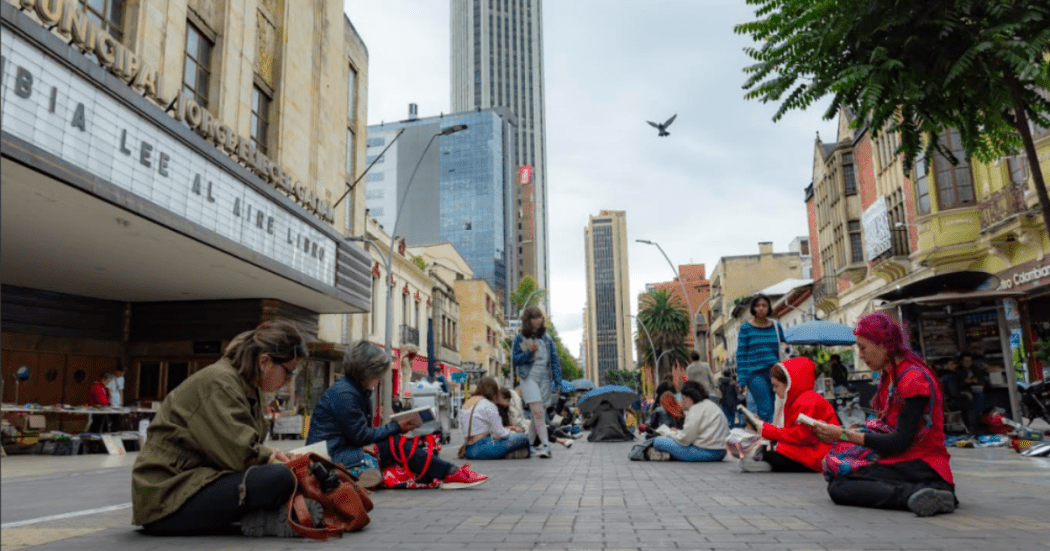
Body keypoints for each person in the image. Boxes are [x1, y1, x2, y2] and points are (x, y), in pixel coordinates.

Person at [133, 320, 318, 537]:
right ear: (265, 361)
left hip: (199, 480)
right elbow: (239, 454)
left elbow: (242, 447)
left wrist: (274, 456)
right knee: (279, 478)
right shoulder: (218, 382)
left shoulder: (249, 385)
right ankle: (268, 518)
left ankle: (267, 516)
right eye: (289, 371)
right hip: (167, 498)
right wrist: (270, 457)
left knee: (289, 474)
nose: (288, 380)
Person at [810, 312, 957, 517]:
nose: (860, 355)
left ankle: (922, 493)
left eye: (863, 347)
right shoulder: (892, 375)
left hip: (923, 462)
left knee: (841, 486)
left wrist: (843, 434)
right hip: (904, 457)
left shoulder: (912, 378)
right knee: (838, 479)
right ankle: (925, 491)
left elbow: (900, 440)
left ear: (883, 345)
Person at [307, 341, 488, 488]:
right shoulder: (345, 395)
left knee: (397, 444)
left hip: (342, 450)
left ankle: (447, 472)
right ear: (368, 372)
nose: (379, 379)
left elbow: (359, 434)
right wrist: (396, 427)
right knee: (395, 443)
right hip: (331, 456)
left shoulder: (354, 391)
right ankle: (449, 472)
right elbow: (361, 436)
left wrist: (395, 428)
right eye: (378, 374)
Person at [740, 358, 839, 472]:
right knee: (772, 448)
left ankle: (763, 461)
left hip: (820, 454)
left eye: (776, 386)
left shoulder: (806, 401)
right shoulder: (801, 399)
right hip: (818, 450)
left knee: (772, 451)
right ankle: (763, 460)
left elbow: (801, 436)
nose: (774, 389)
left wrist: (768, 430)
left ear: (789, 384)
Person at [512, 306, 563, 459]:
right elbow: (516, 360)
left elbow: (555, 360)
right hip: (529, 377)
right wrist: (529, 352)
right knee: (538, 411)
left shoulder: (547, 337)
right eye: (534, 318)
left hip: (544, 378)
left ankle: (527, 445)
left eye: (539, 317)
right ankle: (546, 446)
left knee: (536, 414)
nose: (538, 320)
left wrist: (558, 382)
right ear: (528, 321)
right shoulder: (520, 338)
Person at [735, 294, 784, 423]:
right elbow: (741, 355)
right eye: (758, 306)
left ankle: (775, 435)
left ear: (768, 308)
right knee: (766, 409)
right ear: (753, 308)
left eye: (764, 305)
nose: (761, 308)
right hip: (756, 374)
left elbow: (783, 346)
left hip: (775, 372)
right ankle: (772, 438)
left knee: (778, 407)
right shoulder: (746, 328)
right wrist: (742, 380)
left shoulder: (776, 326)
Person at [651, 381, 729, 462]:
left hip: (706, 452)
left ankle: (668, 453)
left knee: (658, 441)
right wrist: (677, 432)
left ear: (686, 397)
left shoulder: (695, 409)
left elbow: (685, 440)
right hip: (721, 451)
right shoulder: (711, 405)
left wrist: (669, 434)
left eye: (682, 398)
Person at [459, 377, 529, 460]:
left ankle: (509, 454)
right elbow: (501, 433)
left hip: (468, 450)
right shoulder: (488, 405)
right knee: (523, 438)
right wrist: (513, 432)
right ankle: (523, 454)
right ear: (494, 391)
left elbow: (460, 429)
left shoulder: (466, 404)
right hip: (483, 448)